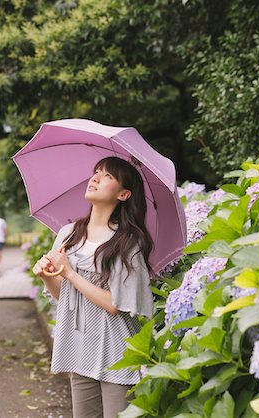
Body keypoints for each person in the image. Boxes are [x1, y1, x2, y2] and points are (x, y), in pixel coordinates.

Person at [32, 157, 154, 418]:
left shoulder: (127, 242)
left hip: (117, 351)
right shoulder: (68, 235)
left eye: (108, 176)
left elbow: (115, 304)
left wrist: (71, 274)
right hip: (80, 347)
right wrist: (46, 276)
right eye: (96, 172)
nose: (96, 178)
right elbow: (63, 297)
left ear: (123, 194)